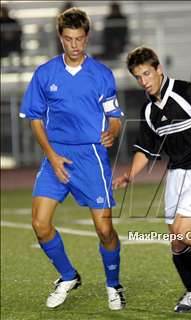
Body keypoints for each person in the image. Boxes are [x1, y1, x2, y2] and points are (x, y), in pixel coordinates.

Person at [113, 46, 191, 312]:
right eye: (138, 77)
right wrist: (129, 174)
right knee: (177, 239)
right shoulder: (149, 111)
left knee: (184, 230)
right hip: (177, 172)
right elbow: (145, 151)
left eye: (147, 73)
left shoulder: (189, 92)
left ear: (159, 69)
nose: (144, 81)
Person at [19, 8, 126, 311]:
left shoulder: (102, 75)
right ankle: (68, 276)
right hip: (57, 156)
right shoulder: (45, 73)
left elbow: (115, 116)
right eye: (68, 40)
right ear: (60, 38)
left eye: (80, 39)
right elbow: (35, 120)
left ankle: (113, 284)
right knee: (40, 225)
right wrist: (51, 156)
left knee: (105, 230)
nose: (75, 46)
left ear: (87, 37)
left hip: (91, 157)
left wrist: (113, 133)